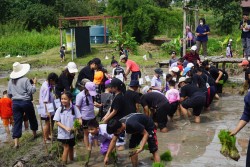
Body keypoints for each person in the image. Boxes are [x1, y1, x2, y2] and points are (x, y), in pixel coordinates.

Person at [8, 62, 38, 148]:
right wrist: (34, 83)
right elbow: (32, 91)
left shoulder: (11, 81)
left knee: (17, 121)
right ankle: (34, 134)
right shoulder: (25, 80)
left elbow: (9, 94)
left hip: (16, 103)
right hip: (26, 102)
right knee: (32, 117)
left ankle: (16, 143)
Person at [53, 91, 82, 164]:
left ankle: (72, 161)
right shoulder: (60, 109)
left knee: (71, 147)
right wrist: (65, 128)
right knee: (66, 147)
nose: (63, 100)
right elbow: (57, 121)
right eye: (62, 99)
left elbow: (79, 119)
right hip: (63, 134)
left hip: (72, 133)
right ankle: (63, 163)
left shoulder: (74, 108)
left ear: (70, 99)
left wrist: (77, 126)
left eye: (65, 99)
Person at [102, 78, 127, 151]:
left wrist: (106, 120)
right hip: (116, 119)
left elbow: (114, 111)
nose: (109, 88)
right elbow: (111, 108)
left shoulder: (119, 97)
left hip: (119, 119)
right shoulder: (115, 95)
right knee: (115, 138)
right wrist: (106, 116)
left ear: (116, 88)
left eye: (111, 87)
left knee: (120, 143)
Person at [76, 81, 97, 150]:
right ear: (86, 89)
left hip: (92, 116)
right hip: (85, 117)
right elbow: (77, 107)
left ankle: (96, 146)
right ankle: (87, 147)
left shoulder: (91, 95)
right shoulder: (80, 95)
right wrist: (79, 118)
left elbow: (91, 103)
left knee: (95, 132)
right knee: (86, 133)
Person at [39, 72, 59, 143]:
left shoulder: (49, 85)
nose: (54, 83)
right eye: (54, 82)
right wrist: (48, 111)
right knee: (47, 123)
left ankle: (49, 135)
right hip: (47, 108)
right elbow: (45, 101)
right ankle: (45, 138)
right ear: (51, 80)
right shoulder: (46, 87)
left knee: (51, 122)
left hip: (50, 107)